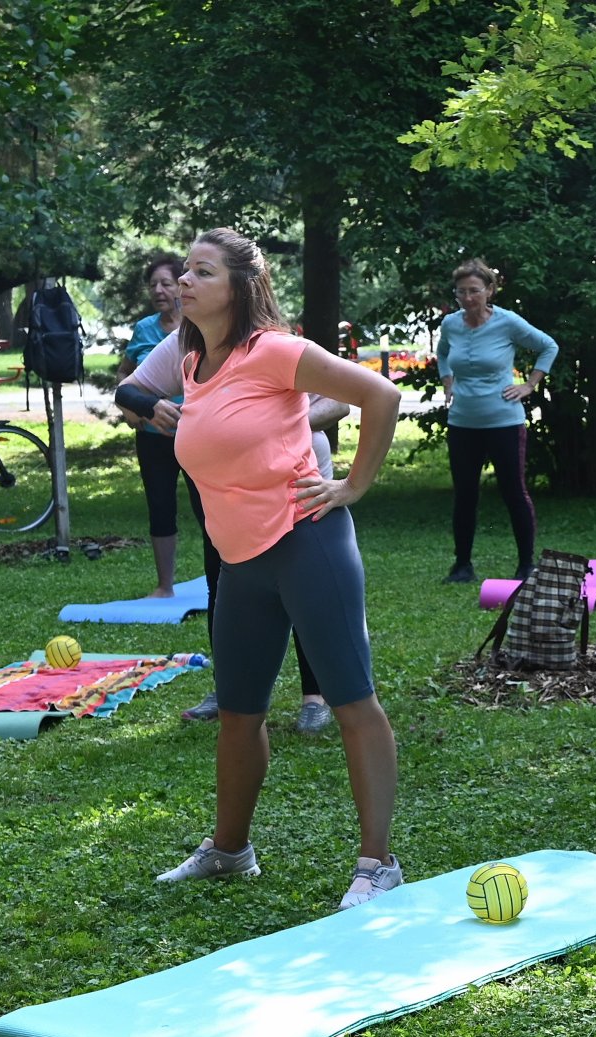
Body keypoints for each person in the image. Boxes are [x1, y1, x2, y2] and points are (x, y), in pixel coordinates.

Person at [128, 228, 403, 909]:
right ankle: (229, 851)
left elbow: (380, 396)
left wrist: (354, 485)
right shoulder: (193, 362)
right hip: (240, 561)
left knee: (352, 702)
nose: (185, 282)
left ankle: (378, 865)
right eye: (184, 270)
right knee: (239, 712)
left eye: (202, 272)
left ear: (239, 288)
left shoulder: (273, 351)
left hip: (307, 541)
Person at [120, 326, 343, 735]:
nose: (187, 284)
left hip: (296, 488)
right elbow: (127, 391)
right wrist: (151, 405)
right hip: (225, 493)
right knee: (220, 589)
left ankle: (316, 697)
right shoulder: (185, 342)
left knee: (305, 596)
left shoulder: (276, 343)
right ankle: (230, 692)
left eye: (202, 274)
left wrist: (279, 420)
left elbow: (343, 401)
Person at [435, 259, 559, 583]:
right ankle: (462, 566)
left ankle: (525, 565)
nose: (467, 297)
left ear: (489, 290)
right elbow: (444, 353)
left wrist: (529, 385)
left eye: (474, 291)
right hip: (462, 422)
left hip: (504, 422)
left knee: (514, 492)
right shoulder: (451, 324)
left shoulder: (506, 322)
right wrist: (447, 380)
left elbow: (548, 346)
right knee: (465, 494)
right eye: (461, 292)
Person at [118, 256, 195, 600]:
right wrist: (134, 411)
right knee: (160, 507)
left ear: (182, 285)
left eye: (166, 283)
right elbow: (124, 375)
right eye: (153, 285)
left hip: (197, 436)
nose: (159, 291)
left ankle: (227, 580)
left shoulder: (198, 327)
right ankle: (165, 586)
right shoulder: (144, 329)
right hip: (153, 439)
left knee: (210, 509)